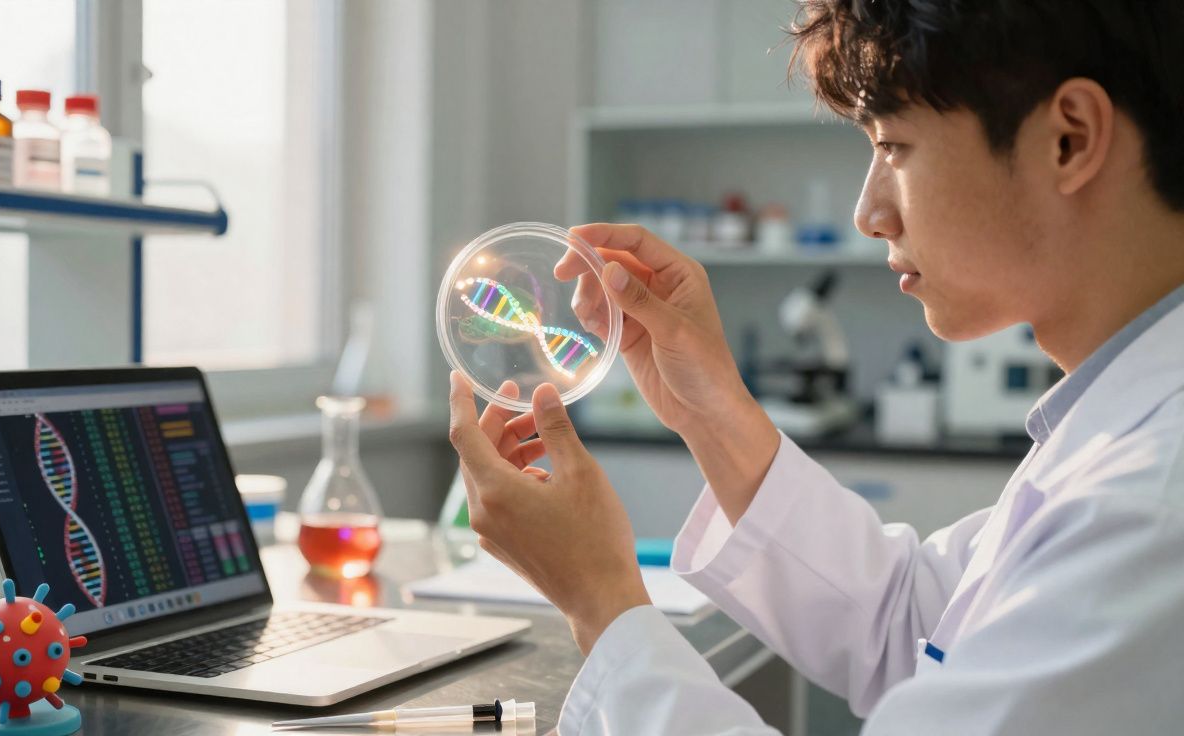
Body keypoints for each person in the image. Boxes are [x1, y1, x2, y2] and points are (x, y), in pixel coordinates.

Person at [446, 0, 1184, 733]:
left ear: (1069, 139)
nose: (869, 212)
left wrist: (600, 602)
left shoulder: (1148, 509)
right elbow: (914, 626)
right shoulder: (1113, 431)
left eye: (894, 146)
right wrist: (711, 410)